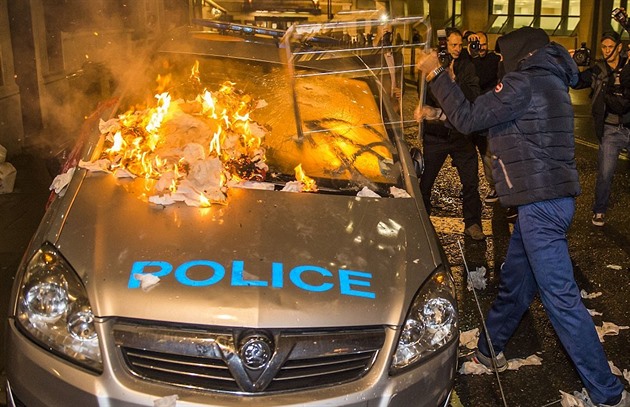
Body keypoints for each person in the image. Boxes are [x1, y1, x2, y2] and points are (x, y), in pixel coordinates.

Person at [416, 27, 628, 407]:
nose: (498, 62)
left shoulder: (523, 82)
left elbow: (469, 117)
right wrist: (436, 112)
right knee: (516, 281)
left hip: (541, 206)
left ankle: (607, 392)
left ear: (519, 54)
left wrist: (434, 74)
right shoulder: (545, 80)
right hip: (547, 202)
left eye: (501, 56)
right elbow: (492, 120)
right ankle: (488, 347)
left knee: (561, 300)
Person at [414, 28, 485, 241]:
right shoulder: (433, 66)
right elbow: (424, 98)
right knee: (425, 183)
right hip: (436, 135)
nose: (457, 49)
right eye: (453, 45)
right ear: (444, 45)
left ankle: (473, 224)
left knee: (471, 182)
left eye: (459, 45)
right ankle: (421, 223)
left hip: (461, 135)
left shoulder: (466, 66)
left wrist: (452, 83)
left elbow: (473, 96)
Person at [573, 31, 630, 227]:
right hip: (610, 129)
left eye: (610, 47)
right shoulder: (598, 70)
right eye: (603, 47)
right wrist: (573, 63)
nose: (606, 51)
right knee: (605, 173)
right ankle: (599, 210)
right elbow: (577, 82)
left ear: (619, 47)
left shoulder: (628, 65)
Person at [466, 31, 502, 204]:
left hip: (487, 113)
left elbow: (487, 78)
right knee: (467, 155)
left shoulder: (493, 60)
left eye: (483, 43)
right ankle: (469, 188)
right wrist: (469, 56)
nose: (480, 47)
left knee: (488, 154)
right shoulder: (467, 61)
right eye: (476, 44)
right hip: (470, 113)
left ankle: (495, 186)